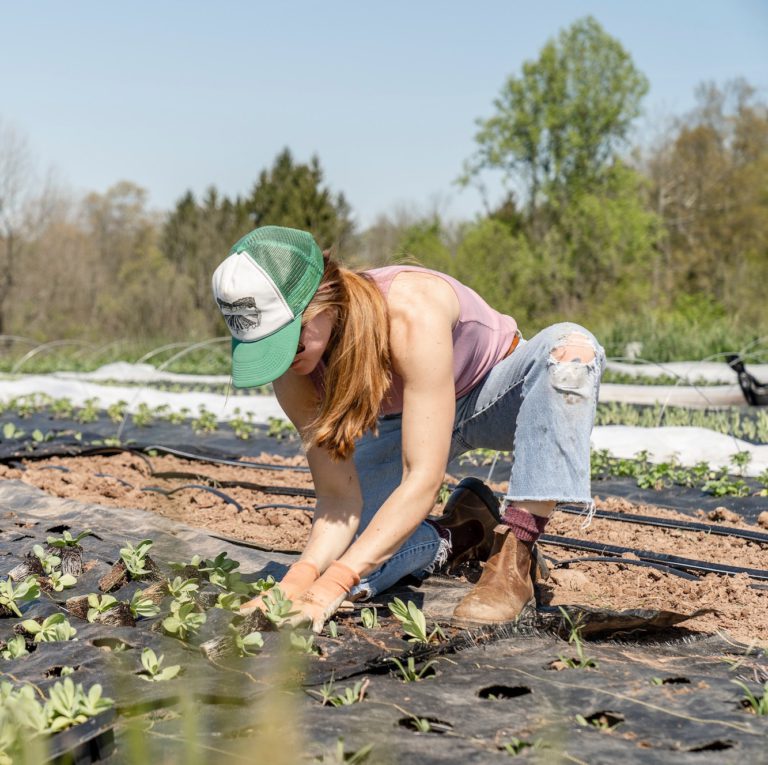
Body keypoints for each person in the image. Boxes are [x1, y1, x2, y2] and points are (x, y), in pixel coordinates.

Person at [211, 225, 604, 632]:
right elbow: (338, 499)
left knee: (571, 352)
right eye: (266, 348)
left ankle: (515, 556)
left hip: (493, 395)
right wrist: (300, 581)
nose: (285, 360)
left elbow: (423, 478)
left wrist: (334, 585)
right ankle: (460, 532)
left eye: (288, 341)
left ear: (323, 298)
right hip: (406, 420)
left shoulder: (409, 310)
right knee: (356, 554)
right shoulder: (293, 371)